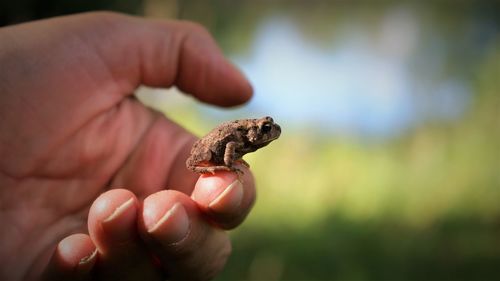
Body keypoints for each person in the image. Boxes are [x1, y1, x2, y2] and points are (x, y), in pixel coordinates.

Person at [0, 12, 256, 280]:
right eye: (263, 128)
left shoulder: (244, 136)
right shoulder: (240, 135)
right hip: (207, 151)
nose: (267, 132)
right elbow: (228, 149)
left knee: (167, 222)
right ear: (252, 130)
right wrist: (227, 166)